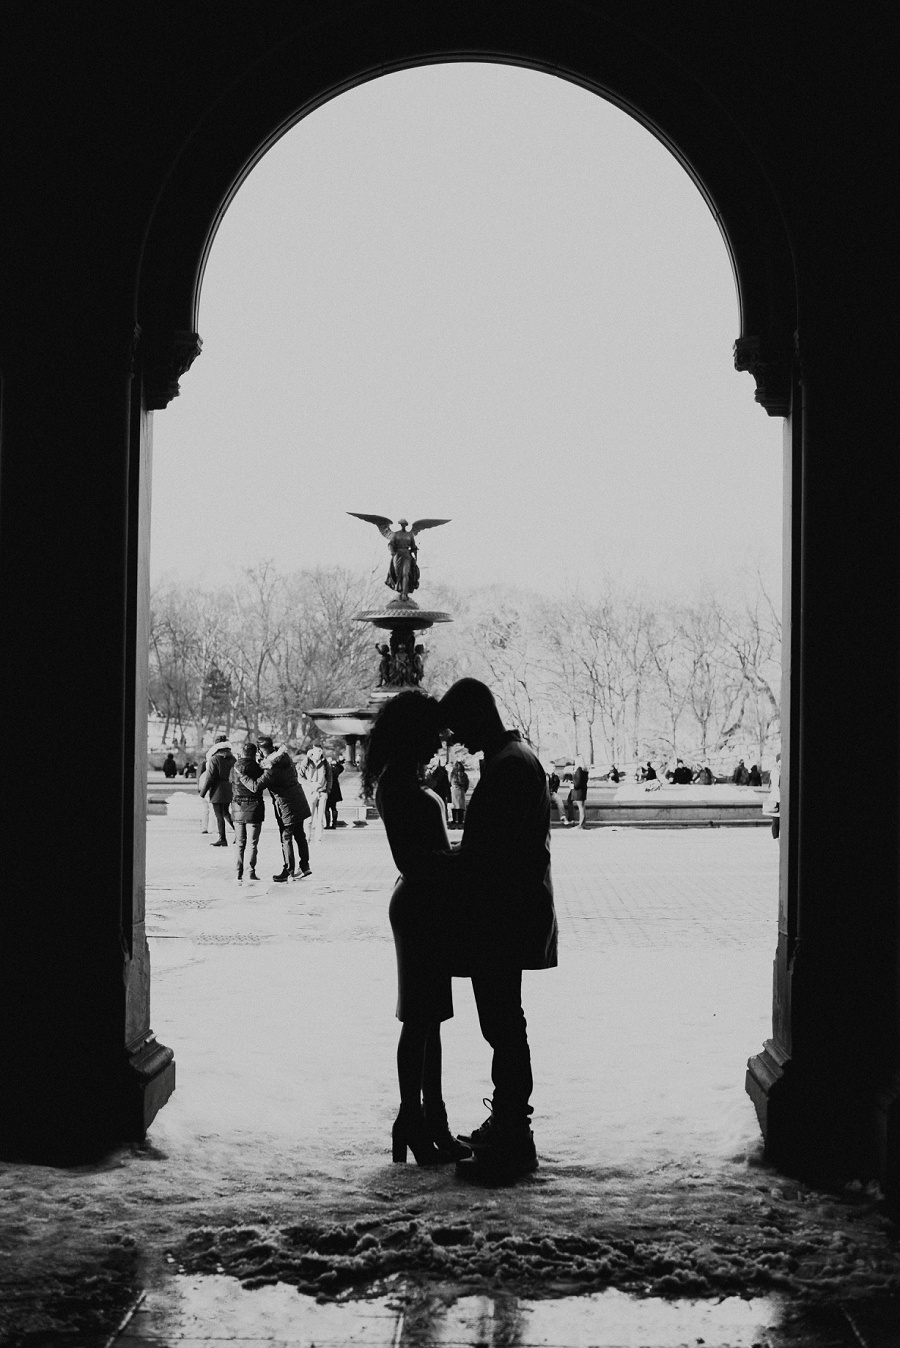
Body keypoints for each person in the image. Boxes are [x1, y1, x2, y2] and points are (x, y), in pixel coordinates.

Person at [438, 677, 558, 1183]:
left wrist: (447, 865)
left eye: (459, 725)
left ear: (476, 716)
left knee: (503, 1023)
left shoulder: (507, 765)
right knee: (505, 1021)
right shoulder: (514, 756)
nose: (456, 736)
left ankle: (514, 1135)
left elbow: (495, 852)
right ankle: (509, 1123)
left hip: (502, 914)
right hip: (513, 909)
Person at [361, 690, 470, 1167]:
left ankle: (426, 1121)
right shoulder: (403, 788)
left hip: (421, 903)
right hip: (422, 905)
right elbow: (422, 860)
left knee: (428, 1020)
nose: (436, 745)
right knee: (421, 1021)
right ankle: (416, 1118)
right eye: (429, 736)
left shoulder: (395, 783)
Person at [235, 735, 311, 882]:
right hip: (298, 798)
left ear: (259, 750)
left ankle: (288, 870)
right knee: (299, 834)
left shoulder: (271, 769)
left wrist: (242, 775)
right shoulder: (284, 757)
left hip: (286, 803)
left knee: (286, 837)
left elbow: (255, 786)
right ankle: (305, 866)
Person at [230, 741, 265, 884]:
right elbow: (262, 784)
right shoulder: (257, 768)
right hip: (254, 808)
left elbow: (230, 782)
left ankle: (238, 873)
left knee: (240, 843)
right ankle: (251, 871)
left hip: (238, 807)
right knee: (252, 843)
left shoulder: (234, 768)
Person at [201, 736, 236, 846]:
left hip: (217, 790)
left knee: (219, 815)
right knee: (226, 812)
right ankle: (240, 834)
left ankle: (222, 838)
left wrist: (203, 792)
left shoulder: (214, 759)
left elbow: (210, 777)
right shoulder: (233, 758)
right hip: (229, 788)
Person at [303, 745, 332, 844]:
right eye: (318, 751)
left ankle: (318, 838)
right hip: (311, 792)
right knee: (309, 817)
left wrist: (327, 790)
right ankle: (307, 838)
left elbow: (329, 777)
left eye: (321, 751)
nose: (320, 753)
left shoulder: (325, 762)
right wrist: (308, 784)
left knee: (320, 818)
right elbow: (299, 776)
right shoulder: (307, 761)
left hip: (322, 792)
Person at [449, 759, 469, 830]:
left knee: (454, 808)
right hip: (461, 791)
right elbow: (467, 784)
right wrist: (464, 790)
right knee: (461, 808)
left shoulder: (452, 774)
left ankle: (454, 822)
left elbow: (449, 782)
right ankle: (460, 823)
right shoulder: (464, 775)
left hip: (454, 791)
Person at [325, 754, 344, 829]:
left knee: (326, 808)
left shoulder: (326, 769)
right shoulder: (335, 769)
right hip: (335, 790)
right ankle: (334, 824)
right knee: (333, 807)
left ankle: (328, 824)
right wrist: (338, 762)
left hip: (328, 789)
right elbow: (341, 768)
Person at [571, 755, 589, 828]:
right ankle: (583, 823)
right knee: (582, 807)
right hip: (583, 790)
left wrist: (573, 786)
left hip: (578, 791)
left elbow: (578, 782)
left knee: (580, 808)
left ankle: (581, 824)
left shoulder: (578, 769)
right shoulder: (585, 770)